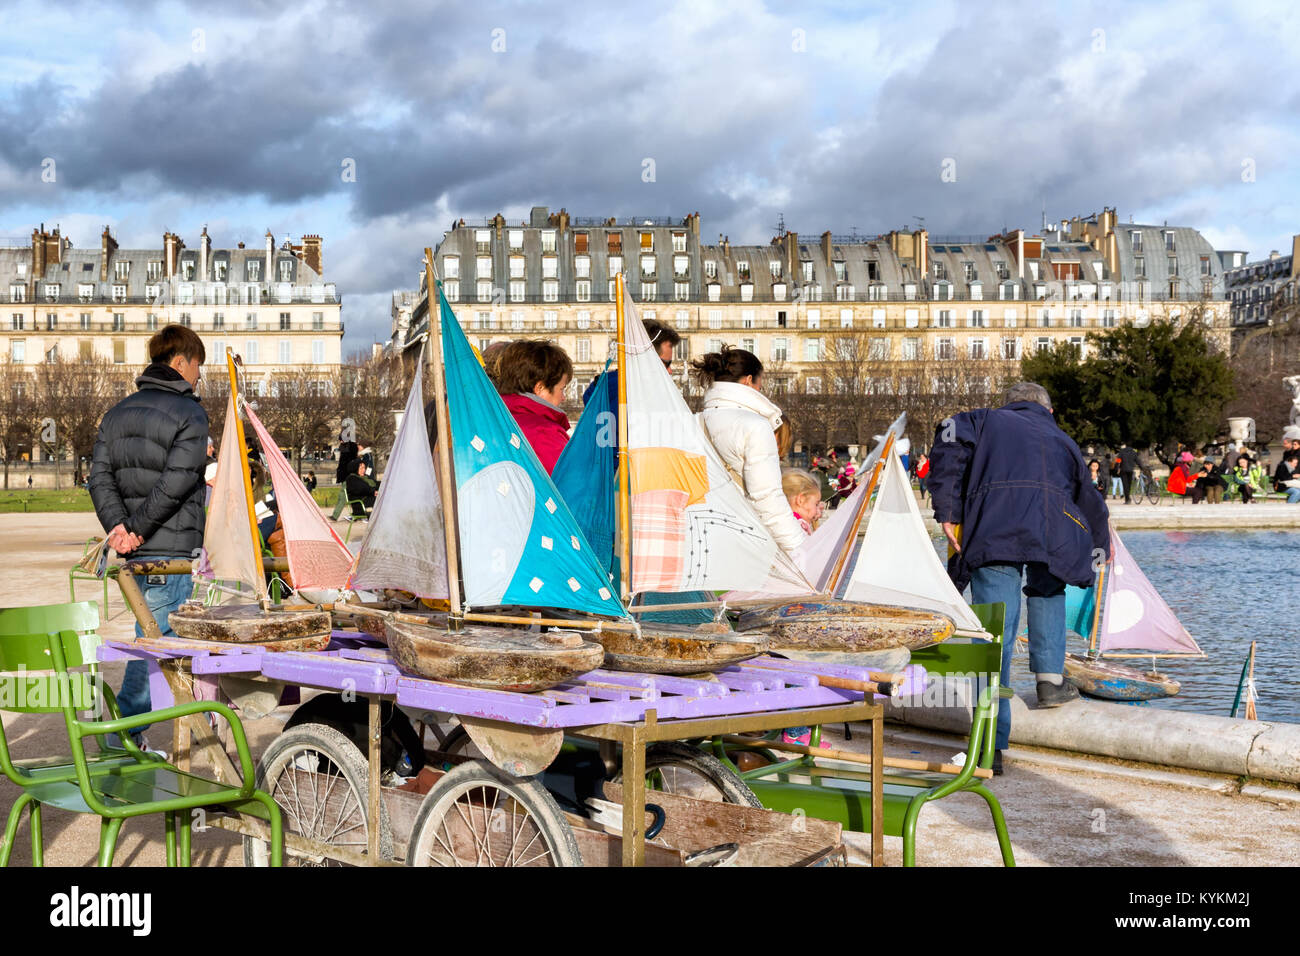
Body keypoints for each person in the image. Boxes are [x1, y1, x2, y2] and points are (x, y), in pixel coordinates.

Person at [927, 382, 1110, 776]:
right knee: (1049, 589)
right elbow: (1091, 500)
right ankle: (1050, 681)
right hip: (1055, 531)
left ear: (1008, 405)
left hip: (996, 529)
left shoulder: (983, 420)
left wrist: (948, 510)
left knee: (996, 633)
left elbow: (947, 442)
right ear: (1048, 410)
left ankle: (990, 743)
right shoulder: (1063, 440)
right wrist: (1099, 548)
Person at [88, 324, 208, 754]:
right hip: (169, 552)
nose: (199, 377)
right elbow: (176, 483)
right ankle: (127, 738)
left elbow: (98, 477)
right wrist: (133, 529)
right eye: (199, 366)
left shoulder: (117, 412)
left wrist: (119, 528)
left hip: (136, 552)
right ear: (181, 361)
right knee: (155, 647)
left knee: (151, 638)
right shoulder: (191, 412)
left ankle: (155, 736)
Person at [692, 346, 805, 551]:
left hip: (699, 538)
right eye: (759, 385)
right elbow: (767, 500)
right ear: (748, 380)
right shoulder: (756, 426)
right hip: (740, 541)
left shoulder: (693, 422)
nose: (760, 391)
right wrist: (802, 548)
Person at [496, 339, 573, 475]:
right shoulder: (545, 433)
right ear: (540, 388)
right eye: (562, 389)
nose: (563, 398)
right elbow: (571, 483)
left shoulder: (493, 418)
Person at [582, 319, 680, 410]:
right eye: (666, 364)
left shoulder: (606, 389)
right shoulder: (631, 397)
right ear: (645, 360)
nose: (670, 371)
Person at [783, 467, 825, 535]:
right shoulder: (798, 526)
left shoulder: (782, 521)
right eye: (816, 504)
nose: (818, 513)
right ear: (801, 500)